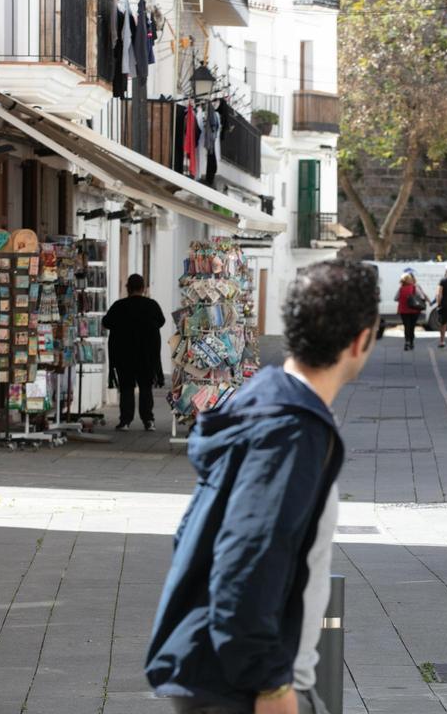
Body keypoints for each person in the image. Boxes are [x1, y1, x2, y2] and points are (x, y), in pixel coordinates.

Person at [145, 260, 379, 714]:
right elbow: (248, 553)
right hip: (247, 690)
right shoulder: (290, 429)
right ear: (360, 340)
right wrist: (271, 686)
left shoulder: (263, 402)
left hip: (221, 677)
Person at [102, 273, 166, 432]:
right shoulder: (151, 305)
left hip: (124, 354)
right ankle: (148, 420)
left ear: (128, 288)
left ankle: (125, 420)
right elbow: (161, 322)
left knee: (126, 388)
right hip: (146, 355)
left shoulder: (119, 306)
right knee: (146, 388)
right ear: (143, 288)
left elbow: (106, 322)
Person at [395, 272, 425, 351]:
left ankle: (407, 342)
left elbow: (395, 298)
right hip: (414, 310)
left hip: (404, 310)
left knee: (406, 326)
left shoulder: (401, 288)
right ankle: (411, 342)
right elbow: (422, 296)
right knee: (412, 326)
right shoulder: (414, 287)